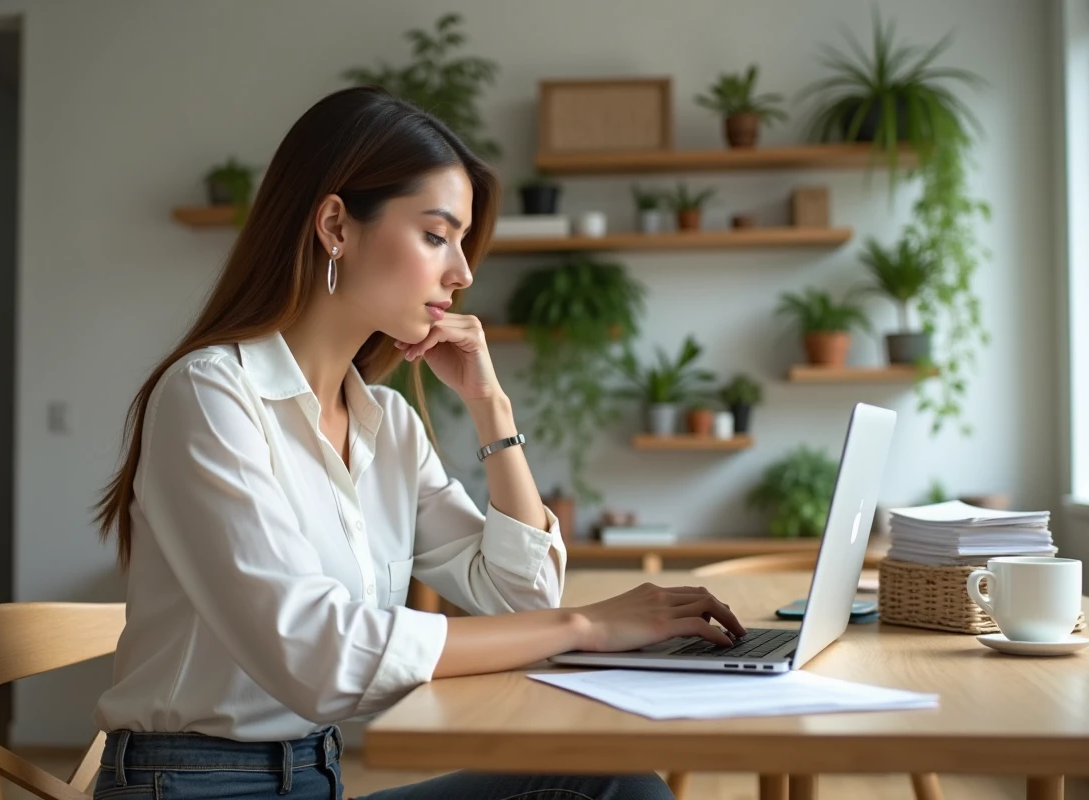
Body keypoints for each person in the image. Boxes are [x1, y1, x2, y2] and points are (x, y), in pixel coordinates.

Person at [91, 86, 745, 800]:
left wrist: (490, 405)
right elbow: (322, 657)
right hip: (193, 789)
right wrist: (584, 625)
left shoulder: (389, 426)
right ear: (336, 225)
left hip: (317, 778)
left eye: (462, 242)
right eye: (437, 235)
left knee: (606, 784)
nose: (462, 273)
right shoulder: (210, 396)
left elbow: (518, 600)